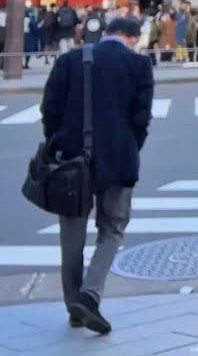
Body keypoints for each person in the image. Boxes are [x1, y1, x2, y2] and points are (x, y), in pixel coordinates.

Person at [39, 18, 153, 335]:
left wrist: (58, 143)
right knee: (113, 228)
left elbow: (49, 109)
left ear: (107, 35)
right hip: (119, 160)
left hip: (70, 161)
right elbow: (141, 118)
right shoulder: (138, 64)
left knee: (71, 237)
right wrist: (130, 148)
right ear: (130, 37)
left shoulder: (69, 60)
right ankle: (90, 295)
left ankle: (74, 305)